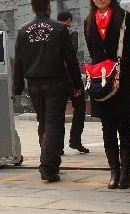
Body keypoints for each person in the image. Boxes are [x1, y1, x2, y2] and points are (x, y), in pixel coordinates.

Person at [13, 0, 82, 182]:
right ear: (49, 7)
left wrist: (18, 88)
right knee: (54, 123)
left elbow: (18, 63)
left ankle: (52, 161)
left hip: (34, 85)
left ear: (33, 8)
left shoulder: (23, 31)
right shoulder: (59, 28)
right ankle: (47, 166)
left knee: (43, 121)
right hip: (56, 82)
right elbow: (71, 59)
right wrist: (77, 83)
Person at [83, 0, 130, 190]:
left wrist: (125, 70)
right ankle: (113, 171)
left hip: (122, 80)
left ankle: (125, 173)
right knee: (107, 128)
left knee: (124, 126)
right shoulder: (89, 20)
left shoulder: (124, 17)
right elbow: (92, 50)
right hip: (101, 82)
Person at [57, 10, 89, 154]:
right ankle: (75, 140)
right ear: (69, 20)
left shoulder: (52, 33)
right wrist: (77, 82)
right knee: (80, 108)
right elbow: (72, 55)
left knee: (57, 112)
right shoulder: (72, 33)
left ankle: (58, 146)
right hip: (71, 77)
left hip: (57, 79)